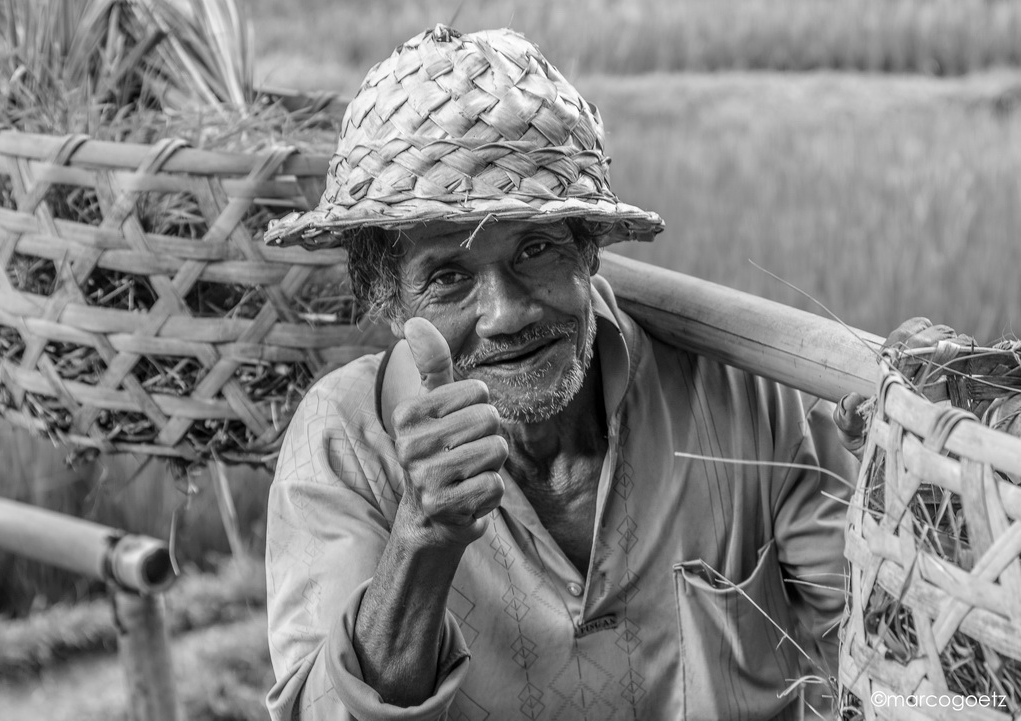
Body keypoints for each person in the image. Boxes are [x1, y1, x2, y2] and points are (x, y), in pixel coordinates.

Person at [260, 25, 895, 720]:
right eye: (448, 276)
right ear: (389, 301)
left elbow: (897, 659)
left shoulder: (748, 394)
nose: (504, 313)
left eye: (535, 247)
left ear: (590, 250)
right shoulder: (343, 441)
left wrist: (907, 495)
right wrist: (424, 536)